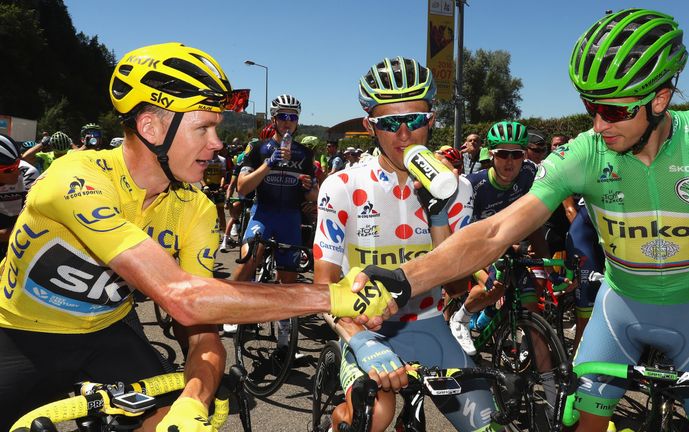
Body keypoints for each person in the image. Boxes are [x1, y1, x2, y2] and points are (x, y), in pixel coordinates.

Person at [354, 9, 689, 432]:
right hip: (619, 314)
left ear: (659, 100)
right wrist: (403, 277)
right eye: (591, 107)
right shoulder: (585, 152)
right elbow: (496, 230)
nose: (598, 124)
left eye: (613, 110)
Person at [0, 42, 394, 432]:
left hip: (108, 330)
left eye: (217, 129)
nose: (218, 143)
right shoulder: (74, 178)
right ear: (150, 127)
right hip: (19, 332)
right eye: (203, 127)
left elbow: (201, 326)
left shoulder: (196, 206)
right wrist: (334, 296)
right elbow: (183, 297)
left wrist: (194, 398)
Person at [315, 56, 498, 432]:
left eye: (415, 120)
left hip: (429, 324)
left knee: (487, 424)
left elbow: (457, 286)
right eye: (388, 123)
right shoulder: (343, 186)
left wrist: (438, 217)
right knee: (374, 415)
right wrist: (360, 340)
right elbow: (324, 286)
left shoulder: (457, 188)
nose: (403, 134)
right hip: (364, 327)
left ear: (431, 119)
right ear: (370, 126)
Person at [448, 121, 548, 357]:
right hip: (475, 244)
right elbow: (462, 234)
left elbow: (536, 218)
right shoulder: (474, 185)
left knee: (532, 302)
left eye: (516, 154)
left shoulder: (529, 174)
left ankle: (526, 350)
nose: (510, 161)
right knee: (494, 287)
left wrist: (541, 256)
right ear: (491, 155)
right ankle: (460, 319)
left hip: (507, 245)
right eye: (503, 154)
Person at [231, 94, 319, 343]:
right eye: (283, 116)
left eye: (293, 117)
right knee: (249, 259)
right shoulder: (258, 148)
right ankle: (232, 312)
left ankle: (284, 331)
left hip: (290, 218)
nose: (288, 122)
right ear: (274, 119)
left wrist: (310, 186)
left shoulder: (304, 153)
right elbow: (243, 188)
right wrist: (269, 164)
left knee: (288, 282)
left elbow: (314, 195)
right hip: (264, 214)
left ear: (297, 121)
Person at [0, 133, 39, 260]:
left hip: (19, 223)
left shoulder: (28, 173)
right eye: (9, 170)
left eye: (17, 163)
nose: (18, 172)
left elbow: (35, 221)